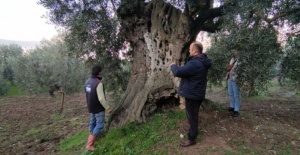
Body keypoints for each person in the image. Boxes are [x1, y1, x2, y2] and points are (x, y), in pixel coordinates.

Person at [170, 41, 212, 147]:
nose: (189, 50)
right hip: (198, 93)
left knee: (192, 116)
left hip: (192, 95)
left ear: (195, 50)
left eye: (190, 48)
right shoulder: (202, 62)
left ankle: (192, 138)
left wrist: (173, 66)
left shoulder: (195, 63)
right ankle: (193, 130)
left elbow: (178, 72)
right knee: (193, 114)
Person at [84, 66, 112, 151]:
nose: (102, 73)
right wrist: (108, 107)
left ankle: (90, 140)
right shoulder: (98, 83)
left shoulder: (87, 81)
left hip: (91, 106)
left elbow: (87, 93)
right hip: (98, 108)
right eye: (102, 71)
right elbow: (101, 99)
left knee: (92, 123)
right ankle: (89, 145)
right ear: (99, 73)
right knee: (99, 125)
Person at [226, 50, 241, 117]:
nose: (234, 52)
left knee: (236, 95)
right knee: (230, 93)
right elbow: (230, 68)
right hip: (230, 78)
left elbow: (242, 71)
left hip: (236, 79)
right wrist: (227, 76)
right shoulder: (232, 59)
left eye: (235, 50)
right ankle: (232, 106)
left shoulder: (240, 60)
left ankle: (236, 110)